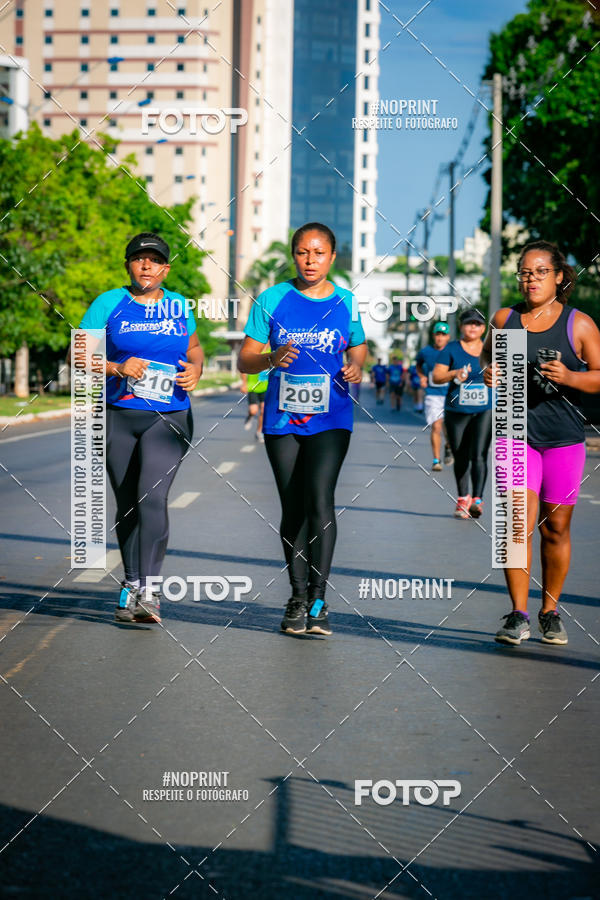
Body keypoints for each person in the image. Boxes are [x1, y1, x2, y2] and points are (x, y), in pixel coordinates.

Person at [238, 222, 367, 636]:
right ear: (294, 255)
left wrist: (357, 364)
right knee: (293, 507)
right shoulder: (273, 298)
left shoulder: (346, 300)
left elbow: (358, 343)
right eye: (302, 252)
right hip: (281, 418)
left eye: (318, 253)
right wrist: (272, 357)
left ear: (332, 257)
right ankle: (296, 597)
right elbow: (245, 359)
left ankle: (318, 600)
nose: (310, 260)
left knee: (320, 500)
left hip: (332, 416)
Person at [78, 232, 203, 624]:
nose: (146, 265)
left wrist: (196, 369)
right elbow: (79, 354)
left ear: (166, 268)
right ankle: (130, 583)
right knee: (128, 502)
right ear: (128, 265)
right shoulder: (108, 303)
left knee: (152, 496)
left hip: (169, 416)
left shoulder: (180, 305)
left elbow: (195, 349)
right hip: (119, 415)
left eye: (154, 260)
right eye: (139, 258)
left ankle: (150, 591)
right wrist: (117, 367)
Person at [481, 240, 600, 646]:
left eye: (539, 272)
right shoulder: (505, 319)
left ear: (560, 276)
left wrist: (570, 378)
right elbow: (487, 359)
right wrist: (489, 373)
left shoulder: (578, 324)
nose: (530, 279)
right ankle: (518, 613)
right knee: (516, 524)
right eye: (524, 272)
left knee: (556, 528)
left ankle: (550, 611)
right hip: (515, 431)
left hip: (564, 437)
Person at [433, 308, 492, 518]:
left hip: (485, 410)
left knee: (479, 454)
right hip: (456, 410)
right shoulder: (451, 349)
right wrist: (454, 373)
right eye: (469, 323)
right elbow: (437, 376)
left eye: (477, 324)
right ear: (461, 326)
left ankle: (477, 499)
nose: (473, 327)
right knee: (461, 456)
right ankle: (462, 498)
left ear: (484, 328)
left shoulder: (491, 348)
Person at [416, 322, 452, 471]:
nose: (440, 338)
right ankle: (436, 460)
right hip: (433, 395)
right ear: (433, 336)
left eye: (443, 335)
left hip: (451, 395)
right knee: (436, 426)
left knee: (449, 428)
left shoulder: (453, 351)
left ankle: (449, 446)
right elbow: (418, 365)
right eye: (438, 334)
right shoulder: (426, 352)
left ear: (448, 337)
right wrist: (422, 376)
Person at [240, 368, 267, 442]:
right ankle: (250, 416)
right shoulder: (254, 355)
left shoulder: (271, 356)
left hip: (266, 388)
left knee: (263, 410)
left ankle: (259, 432)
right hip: (253, 387)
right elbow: (243, 369)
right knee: (253, 411)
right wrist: (244, 384)